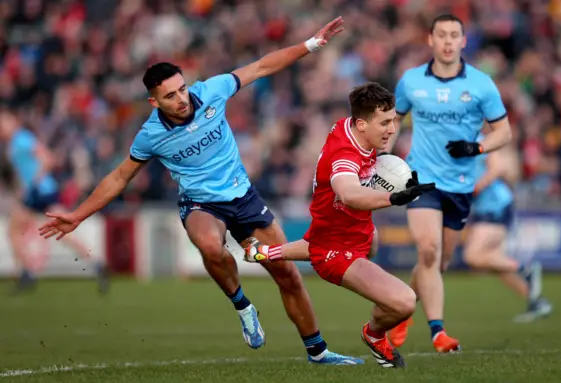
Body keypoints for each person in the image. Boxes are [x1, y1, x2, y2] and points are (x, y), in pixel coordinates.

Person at [38, 17, 362, 365]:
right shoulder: (151, 135)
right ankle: (242, 305)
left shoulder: (212, 90)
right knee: (210, 245)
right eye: (170, 95)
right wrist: (77, 215)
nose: (181, 98)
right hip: (201, 205)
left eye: (181, 89)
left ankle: (318, 351)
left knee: (287, 274)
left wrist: (310, 45)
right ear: (154, 102)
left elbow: (262, 66)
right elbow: (119, 177)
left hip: (245, 198)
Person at [245, 82, 436, 368]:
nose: (392, 129)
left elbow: (375, 153)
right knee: (405, 302)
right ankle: (374, 336)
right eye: (385, 123)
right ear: (361, 124)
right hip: (338, 250)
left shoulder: (350, 127)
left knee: (364, 242)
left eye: (394, 121)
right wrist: (393, 197)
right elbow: (348, 192)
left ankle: (263, 253)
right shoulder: (345, 155)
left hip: (343, 231)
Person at [384, 14, 513, 352]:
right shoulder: (411, 81)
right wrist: (383, 156)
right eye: (441, 35)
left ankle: (401, 311)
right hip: (421, 179)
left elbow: (505, 133)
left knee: (438, 263)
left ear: (463, 41)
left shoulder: (482, 84)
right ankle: (438, 332)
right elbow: (393, 120)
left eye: (454, 35)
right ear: (430, 40)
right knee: (427, 251)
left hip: (460, 185)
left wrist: (477, 147)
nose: (447, 41)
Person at [0, 108, 109, 294]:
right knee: (62, 231)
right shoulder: (12, 144)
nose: (2, 127)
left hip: (40, 191)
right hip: (42, 191)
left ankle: (27, 273)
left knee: (14, 230)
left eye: (4, 122)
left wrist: (33, 184)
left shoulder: (22, 138)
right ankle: (96, 263)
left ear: (14, 121)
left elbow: (47, 159)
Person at [464, 134, 553, 323]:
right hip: (485, 207)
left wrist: (474, 189)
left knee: (472, 256)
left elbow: (498, 168)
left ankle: (525, 269)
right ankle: (537, 302)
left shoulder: (477, 139)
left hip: (495, 205)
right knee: (498, 264)